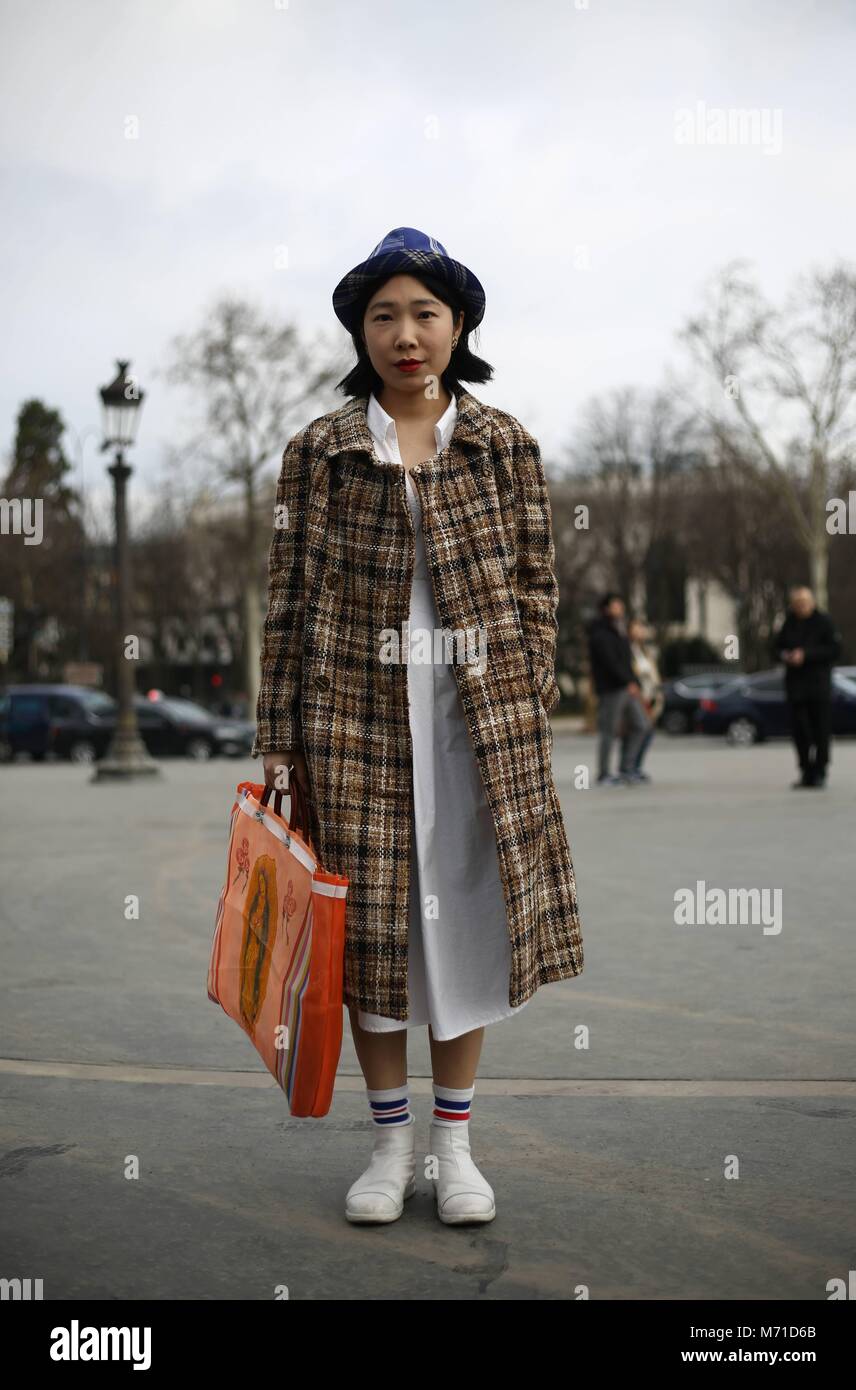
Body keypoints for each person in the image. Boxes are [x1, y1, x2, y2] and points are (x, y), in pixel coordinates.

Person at [252, 227, 583, 1227]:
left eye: (424, 314)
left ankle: (455, 1144)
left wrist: (525, 688)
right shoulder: (318, 448)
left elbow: (537, 583)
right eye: (383, 315)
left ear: (458, 325)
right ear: (360, 328)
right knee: (373, 936)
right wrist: (279, 730)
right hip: (353, 719)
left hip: (475, 723)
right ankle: (389, 1145)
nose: (404, 334)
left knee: (472, 922)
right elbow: (286, 595)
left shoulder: (502, 441)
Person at [770, 584, 842, 789]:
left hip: (819, 687)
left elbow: (835, 650)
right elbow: (775, 648)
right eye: (797, 603)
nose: (800, 607)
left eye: (804, 603)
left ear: (812, 603)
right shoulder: (789, 623)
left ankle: (820, 771)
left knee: (821, 731)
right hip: (796, 688)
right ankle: (805, 771)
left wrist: (806, 655)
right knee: (800, 731)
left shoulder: (824, 622)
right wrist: (786, 656)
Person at [587, 593, 651, 785]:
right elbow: (610, 664)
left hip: (627, 688)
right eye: (616, 605)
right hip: (611, 690)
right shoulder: (600, 634)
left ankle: (627, 768)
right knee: (609, 731)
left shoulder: (620, 631)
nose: (620, 608)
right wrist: (627, 682)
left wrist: (634, 683)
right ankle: (604, 773)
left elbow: (626, 661)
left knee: (642, 726)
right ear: (606, 609)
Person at [618, 616, 664, 783]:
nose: (641, 630)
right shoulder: (626, 648)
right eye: (637, 627)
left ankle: (635, 767)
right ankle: (627, 768)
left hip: (649, 696)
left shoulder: (645, 649)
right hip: (635, 695)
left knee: (647, 732)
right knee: (639, 729)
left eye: (642, 627)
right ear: (629, 630)